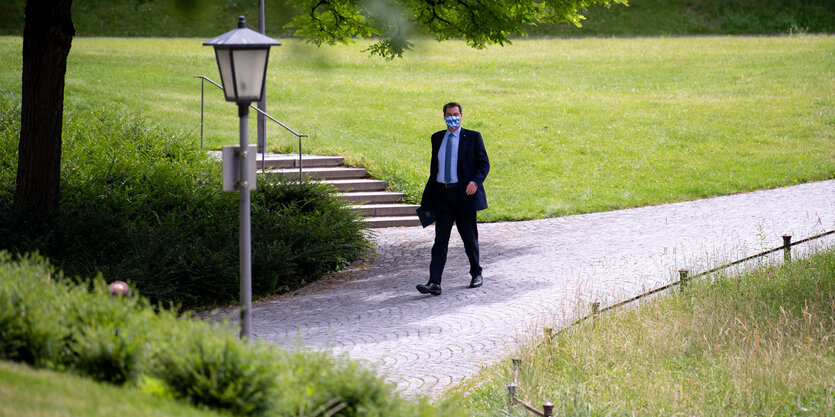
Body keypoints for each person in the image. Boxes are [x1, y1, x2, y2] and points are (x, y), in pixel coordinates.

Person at [416, 102, 490, 296]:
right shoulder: (437, 138)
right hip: (443, 195)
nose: (452, 117)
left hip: (464, 194)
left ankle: (476, 273)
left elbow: (484, 164)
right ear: (444, 116)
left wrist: (475, 182)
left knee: (469, 237)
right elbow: (436, 168)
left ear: (461, 115)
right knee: (440, 240)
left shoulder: (473, 137)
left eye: (455, 114)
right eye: (449, 114)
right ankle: (434, 282)